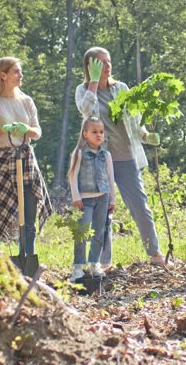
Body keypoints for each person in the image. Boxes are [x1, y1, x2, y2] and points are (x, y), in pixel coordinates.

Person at [75, 47, 166, 268]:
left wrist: (146, 135)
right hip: (98, 159)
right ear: (90, 66)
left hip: (126, 158)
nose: (107, 66)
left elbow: (134, 121)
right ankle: (102, 262)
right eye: (101, 63)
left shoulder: (121, 88)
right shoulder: (83, 90)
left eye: (108, 62)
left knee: (140, 205)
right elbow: (86, 110)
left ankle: (155, 254)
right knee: (102, 211)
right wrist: (94, 83)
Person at [0, 57, 52, 253]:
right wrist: (2, 130)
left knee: (28, 221)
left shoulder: (26, 101)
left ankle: (26, 263)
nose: (21, 75)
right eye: (16, 72)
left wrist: (27, 129)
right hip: (3, 160)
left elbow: (38, 132)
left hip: (26, 159)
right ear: (3, 75)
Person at [66, 116, 116, 281]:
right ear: (85, 134)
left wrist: (112, 199)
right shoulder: (79, 153)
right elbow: (72, 176)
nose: (99, 135)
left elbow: (110, 178)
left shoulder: (106, 155)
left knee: (99, 232)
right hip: (85, 200)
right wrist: (76, 196)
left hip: (103, 197)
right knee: (82, 232)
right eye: (94, 132)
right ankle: (78, 267)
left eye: (101, 132)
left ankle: (94, 263)